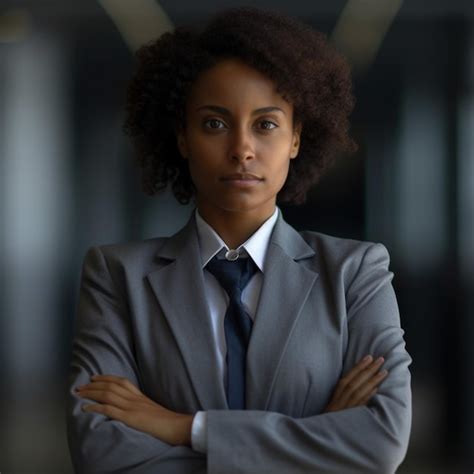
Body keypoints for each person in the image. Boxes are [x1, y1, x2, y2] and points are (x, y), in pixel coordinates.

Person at [66, 6, 412, 474]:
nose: (242, 149)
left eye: (266, 124)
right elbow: (101, 453)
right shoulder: (116, 276)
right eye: (214, 123)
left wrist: (185, 428)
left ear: (295, 138)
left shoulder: (355, 272)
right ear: (183, 137)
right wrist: (319, 439)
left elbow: (382, 442)